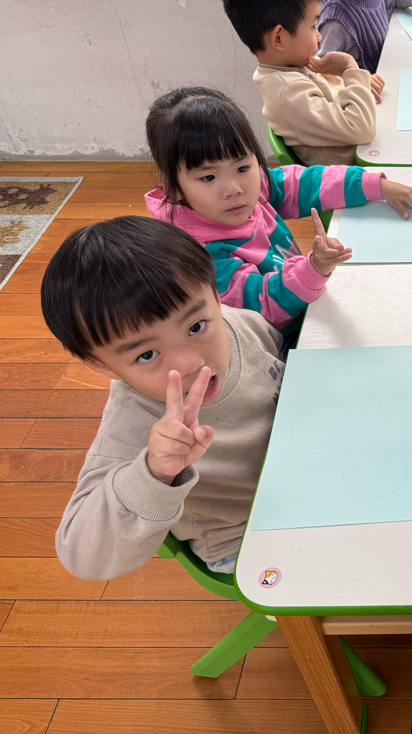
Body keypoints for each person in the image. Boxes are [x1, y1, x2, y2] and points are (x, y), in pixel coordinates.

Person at [41, 217, 290, 580]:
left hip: (297, 468)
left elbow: (276, 353)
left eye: (195, 327)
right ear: (102, 365)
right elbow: (81, 557)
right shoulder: (134, 425)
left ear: (215, 297)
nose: (190, 363)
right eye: (147, 354)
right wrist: (156, 473)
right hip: (244, 535)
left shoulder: (237, 323)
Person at [144, 86, 412, 337]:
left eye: (242, 167)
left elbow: (305, 183)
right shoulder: (200, 258)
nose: (234, 188)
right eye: (208, 177)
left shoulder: (254, 188)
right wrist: (313, 269)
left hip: (312, 305)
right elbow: (263, 306)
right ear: (174, 187)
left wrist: (374, 185)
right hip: (285, 344)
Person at [221, 0, 376, 166]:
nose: (319, 36)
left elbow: (335, 100)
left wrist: (352, 80)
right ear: (279, 39)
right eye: (313, 26)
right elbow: (361, 128)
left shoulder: (293, 66)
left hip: (364, 157)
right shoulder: (289, 93)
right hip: (354, 177)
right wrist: (350, 69)